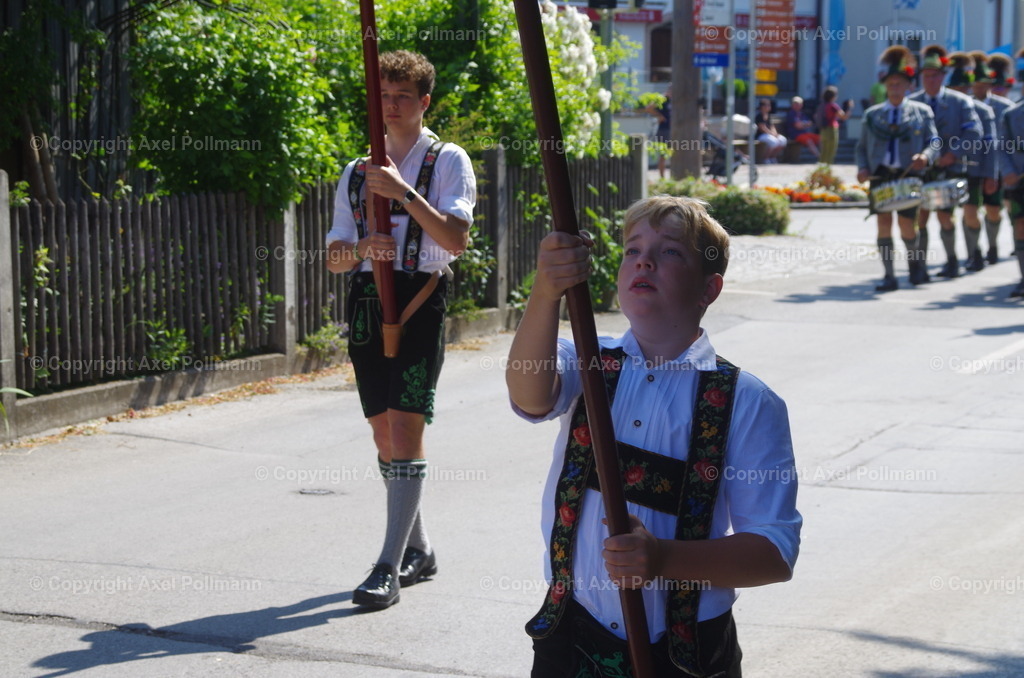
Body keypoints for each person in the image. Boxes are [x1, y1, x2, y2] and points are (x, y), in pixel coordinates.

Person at [506, 196, 802, 677]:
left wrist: (664, 558)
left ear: (710, 287)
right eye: (632, 249)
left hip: (686, 656)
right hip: (569, 639)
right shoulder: (585, 360)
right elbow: (531, 393)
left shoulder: (747, 402)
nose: (643, 259)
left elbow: (773, 552)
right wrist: (546, 290)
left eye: (671, 253)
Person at [325, 50, 476, 608]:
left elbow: (456, 240)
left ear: (424, 102)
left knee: (407, 428)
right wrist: (362, 247)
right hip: (366, 300)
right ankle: (420, 548)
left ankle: (387, 567)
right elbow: (335, 255)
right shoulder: (354, 169)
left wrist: (403, 195)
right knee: (383, 433)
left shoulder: (448, 160)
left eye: (402, 97)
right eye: (383, 96)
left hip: (420, 298)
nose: (391, 106)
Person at [856, 45, 940, 292]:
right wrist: (862, 168)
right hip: (881, 175)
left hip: (908, 175)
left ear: (908, 86)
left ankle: (915, 267)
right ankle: (889, 275)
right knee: (883, 223)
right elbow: (861, 148)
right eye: (890, 83)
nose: (894, 87)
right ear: (885, 86)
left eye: (899, 83)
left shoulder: (921, 112)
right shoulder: (872, 115)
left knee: (906, 226)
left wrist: (925, 156)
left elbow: (934, 141)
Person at [909, 44, 983, 279]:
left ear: (943, 76)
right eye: (926, 76)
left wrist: (953, 153)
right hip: (920, 168)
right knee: (919, 216)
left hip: (949, 167)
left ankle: (951, 260)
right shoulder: (912, 103)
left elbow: (974, 133)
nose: (930, 80)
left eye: (934, 76)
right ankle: (918, 266)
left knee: (943, 215)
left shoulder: (960, 102)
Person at [947, 52, 996, 272]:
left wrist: (991, 174)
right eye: (955, 89)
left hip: (974, 170)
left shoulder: (983, 111)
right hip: (950, 168)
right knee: (947, 215)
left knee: (970, 212)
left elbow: (990, 145)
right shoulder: (945, 108)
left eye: (962, 89)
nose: (959, 93)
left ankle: (975, 252)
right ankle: (953, 258)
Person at [971, 51, 1015, 264]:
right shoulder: (965, 104)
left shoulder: (1005, 107)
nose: (980, 88)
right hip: (971, 165)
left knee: (994, 209)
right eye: (976, 84)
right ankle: (975, 251)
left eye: (984, 84)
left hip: (997, 165)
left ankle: (993, 245)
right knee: (969, 209)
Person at [996, 95, 1024, 298]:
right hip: (1018, 181)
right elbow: (1003, 147)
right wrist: (1008, 171)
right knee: (1020, 226)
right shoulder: (1010, 115)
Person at [817, 86, 853, 165]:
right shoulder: (833, 106)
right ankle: (827, 171)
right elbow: (844, 117)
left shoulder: (822, 105)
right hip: (831, 130)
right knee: (830, 152)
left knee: (824, 152)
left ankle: (820, 170)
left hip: (823, 130)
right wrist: (850, 107)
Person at [645, 86, 672, 178]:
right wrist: (659, 115)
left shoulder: (678, 101)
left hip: (675, 130)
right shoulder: (664, 100)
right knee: (663, 155)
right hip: (664, 130)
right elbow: (648, 108)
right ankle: (662, 178)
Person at [754, 99, 787, 164]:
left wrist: (775, 133)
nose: (769, 107)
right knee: (774, 142)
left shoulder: (768, 115)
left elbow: (772, 126)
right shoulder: (759, 116)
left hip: (769, 135)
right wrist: (772, 134)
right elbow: (762, 128)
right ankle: (766, 159)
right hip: (761, 135)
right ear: (762, 107)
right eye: (767, 105)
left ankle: (772, 157)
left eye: (769, 105)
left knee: (783, 140)